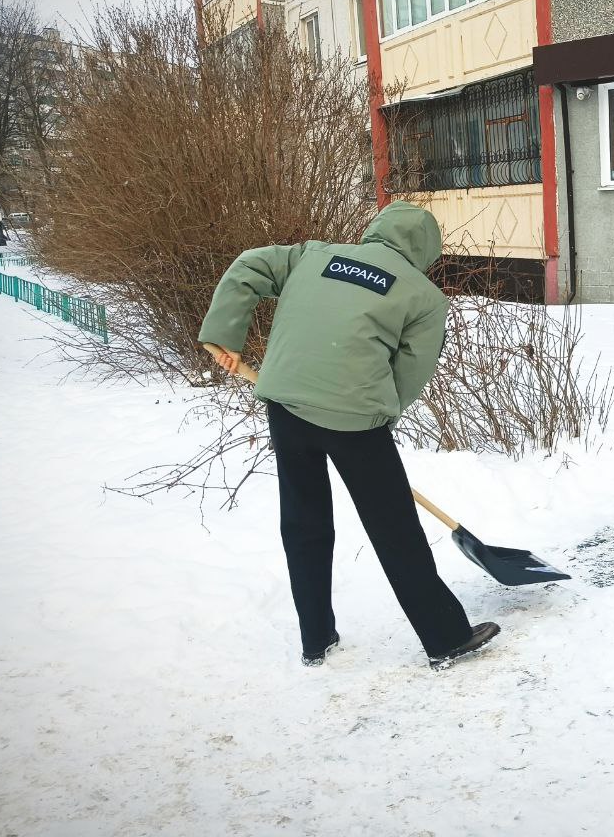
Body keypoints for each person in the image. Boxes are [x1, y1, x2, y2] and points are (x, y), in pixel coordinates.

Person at [199, 200, 499, 671]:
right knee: (395, 530)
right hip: (356, 423)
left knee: (304, 523)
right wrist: (380, 417)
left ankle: (315, 638)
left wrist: (224, 335)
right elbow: (410, 373)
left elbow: (248, 266)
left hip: (285, 406)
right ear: (426, 250)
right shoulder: (422, 296)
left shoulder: (314, 256)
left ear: (375, 229)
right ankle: (444, 637)